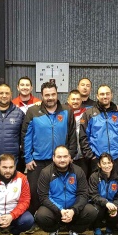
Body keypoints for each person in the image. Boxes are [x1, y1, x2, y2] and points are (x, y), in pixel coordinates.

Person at [21, 81, 77, 215]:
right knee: (34, 191)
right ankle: (34, 219)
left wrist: (71, 155)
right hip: (37, 160)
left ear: (57, 94)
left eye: (53, 94)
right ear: (42, 95)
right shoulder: (33, 111)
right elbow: (26, 135)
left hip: (60, 160)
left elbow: (72, 135)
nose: (50, 97)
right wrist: (28, 158)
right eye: (47, 95)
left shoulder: (66, 111)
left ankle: (57, 217)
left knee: (58, 190)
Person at [35, 146, 97, 235]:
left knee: (91, 211)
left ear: (69, 157)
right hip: (55, 209)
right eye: (59, 157)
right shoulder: (46, 172)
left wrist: (73, 210)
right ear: (53, 158)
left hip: (74, 210)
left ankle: (74, 229)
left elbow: (83, 194)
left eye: (65, 156)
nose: (62, 160)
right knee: (41, 215)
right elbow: (44, 197)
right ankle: (54, 230)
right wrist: (60, 210)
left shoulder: (78, 171)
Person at [79, 84, 118, 174]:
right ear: (97, 96)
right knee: (97, 187)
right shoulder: (88, 114)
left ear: (111, 95)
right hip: (97, 160)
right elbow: (83, 137)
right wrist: (91, 157)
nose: (105, 96)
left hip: (116, 159)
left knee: (116, 187)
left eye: (107, 94)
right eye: (102, 94)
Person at [88, 153, 118, 235]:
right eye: (104, 163)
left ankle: (110, 227)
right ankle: (96, 228)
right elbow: (93, 195)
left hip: (112, 204)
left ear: (113, 163)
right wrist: (106, 203)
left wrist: (116, 206)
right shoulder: (94, 177)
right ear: (99, 165)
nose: (107, 166)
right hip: (98, 204)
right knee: (96, 210)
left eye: (109, 162)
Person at [12, 76, 41, 173]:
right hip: (16, 146)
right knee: (16, 174)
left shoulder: (39, 104)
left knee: (34, 174)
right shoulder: (12, 104)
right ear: (18, 87)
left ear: (31, 88)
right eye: (22, 85)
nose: (25, 87)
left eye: (27, 85)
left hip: (34, 147)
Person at [66, 90, 88, 174]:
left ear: (81, 100)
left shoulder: (87, 113)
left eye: (78, 99)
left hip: (82, 155)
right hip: (67, 154)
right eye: (73, 99)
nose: (75, 101)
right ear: (68, 100)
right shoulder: (62, 112)